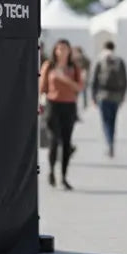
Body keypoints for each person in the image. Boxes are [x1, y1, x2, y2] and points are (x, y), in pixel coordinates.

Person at [38, 38, 83, 190]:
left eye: (65, 48)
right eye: (59, 49)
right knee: (53, 140)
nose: (62, 52)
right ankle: (51, 171)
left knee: (66, 142)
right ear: (55, 51)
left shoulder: (73, 67)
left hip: (69, 106)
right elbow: (42, 87)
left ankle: (63, 176)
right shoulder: (48, 66)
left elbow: (79, 88)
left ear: (69, 51)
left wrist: (65, 80)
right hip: (53, 105)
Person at [90, 40, 127, 158]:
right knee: (113, 121)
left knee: (106, 121)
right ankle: (111, 142)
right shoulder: (119, 61)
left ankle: (109, 143)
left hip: (103, 94)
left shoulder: (100, 60)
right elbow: (125, 80)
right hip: (116, 96)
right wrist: (122, 96)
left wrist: (93, 96)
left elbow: (94, 80)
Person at [73, 46, 91, 115]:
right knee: (83, 92)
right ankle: (83, 105)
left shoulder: (74, 58)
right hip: (81, 78)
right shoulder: (84, 59)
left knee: (78, 93)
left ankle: (81, 105)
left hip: (78, 78)